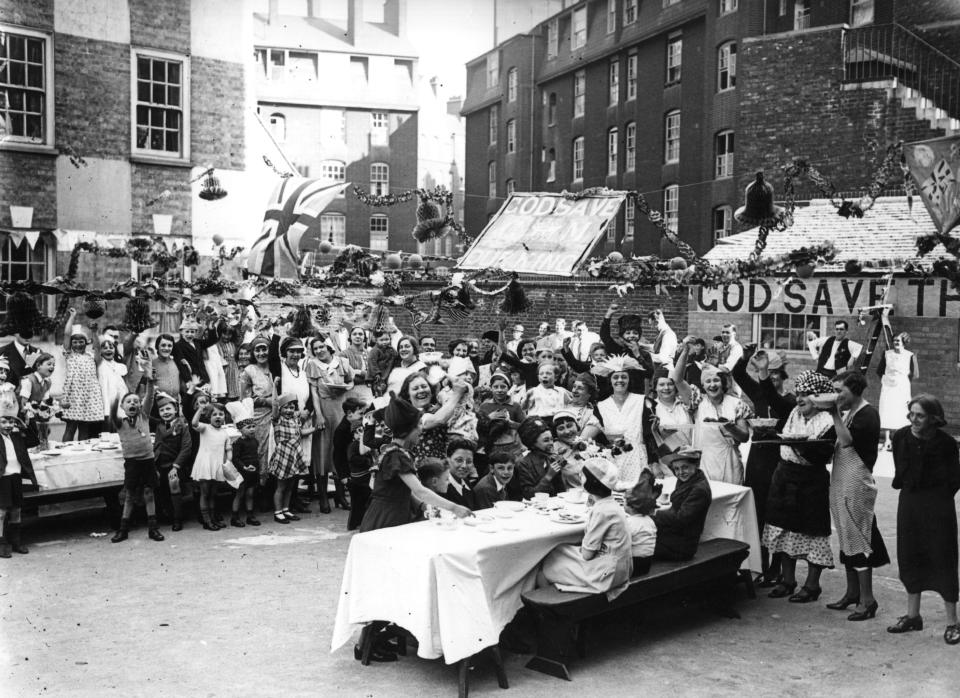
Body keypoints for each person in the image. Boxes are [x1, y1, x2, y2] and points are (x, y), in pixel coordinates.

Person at [887, 395, 960, 644]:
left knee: (943, 558)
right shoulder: (900, 437)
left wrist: (936, 498)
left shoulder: (947, 444)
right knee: (909, 555)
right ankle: (913, 616)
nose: (914, 419)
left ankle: (952, 622)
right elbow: (900, 472)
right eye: (911, 414)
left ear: (933, 418)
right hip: (910, 504)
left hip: (939, 507)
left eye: (920, 415)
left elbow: (954, 480)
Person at [762, 371, 837, 603]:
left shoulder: (828, 422)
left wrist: (798, 444)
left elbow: (822, 455)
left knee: (812, 531)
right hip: (784, 476)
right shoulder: (793, 412)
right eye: (799, 394)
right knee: (784, 529)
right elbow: (771, 397)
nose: (800, 399)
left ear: (819, 398)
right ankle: (788, 580)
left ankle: (812, 585)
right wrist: (763, 373)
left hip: (811, 480)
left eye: (807, 395)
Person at [359, 392, 473, 533]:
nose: (421, 429)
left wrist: (422, 506)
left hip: (396, 511)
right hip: (387, 516)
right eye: (418, 425)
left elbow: (404, 489)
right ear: (408, 429)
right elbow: (420, 490)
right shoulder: (396, 456)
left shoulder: (399, 451)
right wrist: (454, 508)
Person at [825, 371, 889, 621]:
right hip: (841, 479)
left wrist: (833, 413)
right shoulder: (850, 412)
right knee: (846, 538)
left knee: (858, 541)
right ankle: (852, 593)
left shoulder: (868, 414)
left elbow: (848, 442)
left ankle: (868, 599)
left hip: (857, 483)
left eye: (840, 390)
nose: (837, 395)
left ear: (855, 389)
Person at [731, 346, 795, 584]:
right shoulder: (759, 393)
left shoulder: (790, 401)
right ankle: (760, 562)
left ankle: (777, 567)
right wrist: (746, 358)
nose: (773, 376)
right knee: (756, 511)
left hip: (778, 457)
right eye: (771, 372)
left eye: (777, 372)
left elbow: (773, 399)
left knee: (776, 512)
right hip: (758, 456)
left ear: (783, 375)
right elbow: (737, 375)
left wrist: (763, 373)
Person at [539, 457, 633, 599]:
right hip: (621, 567)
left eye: (582, 475)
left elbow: (587, 554)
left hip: (608, 574)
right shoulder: (611, 504)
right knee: (559, 551)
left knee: (549, 561)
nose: (579, 477)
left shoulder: (602, 511)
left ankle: (554, 610)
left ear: (591, 482)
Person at [671, 339, 750, 485]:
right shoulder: (697, 401)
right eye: (708, 381)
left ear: (723, 382)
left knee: (730, 502)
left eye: (716, 380)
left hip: (730, 461)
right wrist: (686, 351)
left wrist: (729, 426)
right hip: (704, 461)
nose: (712, 385)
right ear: (703, 385)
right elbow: (677, 379)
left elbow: (745, 436)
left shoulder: (737, 404)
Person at [111, 379, 164, 544]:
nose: (132, 403)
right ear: (123, 407)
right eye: (128, 402)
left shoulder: (145, 416)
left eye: (135, 401)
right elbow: (112, 412)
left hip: (147, 461)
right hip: (132, 463)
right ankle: (123, 529)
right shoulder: (120, 423)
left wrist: (149, 381)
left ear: (140, 405)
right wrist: (115, 400)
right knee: (129, 495)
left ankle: (153, 528)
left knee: (149, 494)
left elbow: (149, 396)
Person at [594, 355, 649, 488]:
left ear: (629, 380)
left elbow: (650, 434)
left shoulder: (641, 400)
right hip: (613, 459)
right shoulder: (601, 406)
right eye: (616, 377)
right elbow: (598, 435)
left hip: (637, 458)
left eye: (624, 377)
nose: (620, 380)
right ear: (610, 381)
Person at [653, 448, 712, 561]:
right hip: (675, 537)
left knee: (639, 545)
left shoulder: (699, 489)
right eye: (676, 469)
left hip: (681, 546)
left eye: (685, 467)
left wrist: (654, 513)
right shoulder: (689, 479)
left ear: (696, 465)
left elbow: (681, 518)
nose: (680, 472)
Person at [0, 389, 37, 558]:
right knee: (1, 512)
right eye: (4, 421)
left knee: (16, 510)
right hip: (2, 478)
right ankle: (2, 542)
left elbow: (33, 441)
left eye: (10, 422)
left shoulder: (17, 436)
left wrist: (24, 425)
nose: (8, 425)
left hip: (15, 476)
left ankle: (16, 541)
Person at [60, 310, 105, 441]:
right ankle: (66, 453)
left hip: (90, 395)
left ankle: (82, 455)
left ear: (86, 343)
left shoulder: (91, 357)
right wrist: (72, 316)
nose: (78, 344)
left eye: (81, 341)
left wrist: (94, 332)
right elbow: (67, 334)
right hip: (74, 394)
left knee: (85, 427)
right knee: (71, 426)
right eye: (75, 342)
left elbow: (97, 348)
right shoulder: (69, 355)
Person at [152, 391, 193, 532]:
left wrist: (176, 467)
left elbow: (186, 448)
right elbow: (157, 445)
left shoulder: (182, 425)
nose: (165, 412)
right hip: (160, 465)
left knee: (174, 486)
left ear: (175, 409)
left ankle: (178, 519)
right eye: (162, 410)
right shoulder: (159, 426)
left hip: (176, 465)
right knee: (162, 490)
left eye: (168, 409)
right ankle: (167, 515)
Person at [239, 336, 277, 485]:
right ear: (253, 353)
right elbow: (244, 399)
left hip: (277, 415)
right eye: (257, 350)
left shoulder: (276, 367)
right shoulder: (249, 371)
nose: (261, 353)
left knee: (276, 450)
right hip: (259, 416)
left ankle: (274, 488)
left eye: (264, 349)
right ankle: (261, 487)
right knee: (262, 451)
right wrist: (265, 401)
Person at [191, 402, 233, 531]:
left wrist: (228, 462)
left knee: (213, 493)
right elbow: (194, 423)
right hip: (205, 464)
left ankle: (213, 518)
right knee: (205, 493)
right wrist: (200, 409)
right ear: (209, 417)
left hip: (217, 465)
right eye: (214, 414)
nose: (218, 417)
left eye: (221, 414)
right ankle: (206, 520)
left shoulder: (225, 433)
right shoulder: (205, 428)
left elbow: (228, 450)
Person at [600, 302, 654, 392]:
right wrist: (608, 315)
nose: (632, 336)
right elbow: (605, 336)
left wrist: (638, 355)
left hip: (636, 394)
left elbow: (649, 373)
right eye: (628, 333)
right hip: (616, 392)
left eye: (635, 333)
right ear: (622, 335)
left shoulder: (644, 354)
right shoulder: (616, 349)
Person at [877, 332, 918, 450]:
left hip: (902, 388)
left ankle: (898, 441)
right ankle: (887, 440)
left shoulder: (910, 355)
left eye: (898, 341)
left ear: (904, 342)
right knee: (887, 412)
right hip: (888, 387)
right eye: (894, 340)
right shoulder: (887, 354)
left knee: (900, 412)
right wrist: (887, 381)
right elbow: (880, 371)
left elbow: (914, 374)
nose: (895, 343)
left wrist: (903, 382)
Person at [226, 398, 261, 527]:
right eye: (248, 427)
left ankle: (250, 515)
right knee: (239, 494)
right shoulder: (238, 443)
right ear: (240, 429)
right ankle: (234, 517)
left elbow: (255, 455)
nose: (252, 429)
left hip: (253, 471)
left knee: (250, 493)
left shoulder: (254, 441)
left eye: (253, 426)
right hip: (243, 472)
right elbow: (235, 458)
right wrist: (244, 467)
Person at [516, 416, 565, 499]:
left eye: (551, 439)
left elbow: (560, 491)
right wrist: (549, 476)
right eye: (546, 440)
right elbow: (529, 495)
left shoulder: (550, 459)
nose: (551, 443)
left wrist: (559, 472)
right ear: (533, 443)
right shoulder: (523, 463)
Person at [624, 471, 659, 575]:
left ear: (631, 506)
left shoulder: (629, 523)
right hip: (646, 564)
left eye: (624, 502)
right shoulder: (650, 521)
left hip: (632, 565)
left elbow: (621, 544)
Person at [18, 352, 55, 450]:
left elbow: (44, 402)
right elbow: (23, 404)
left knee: (45, 431)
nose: (52, 367)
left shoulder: (47, 382)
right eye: (49, 364)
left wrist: (44, 416)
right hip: (23, 416)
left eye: (53, 365)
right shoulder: (28, 380)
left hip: (36, 415)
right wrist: (29, 420)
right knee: (31, 437)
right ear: (38, 366)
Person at [443, 438, 477, 509]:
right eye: (459, 460)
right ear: (447, 460)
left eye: (469, 462)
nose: (464, 466)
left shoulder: (466, 483)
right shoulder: (441, 487)